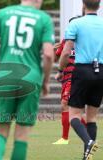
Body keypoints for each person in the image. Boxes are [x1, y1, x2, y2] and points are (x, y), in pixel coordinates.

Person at [0, 0, 55, 159]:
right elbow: (48, 54)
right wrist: (45, 81)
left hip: (6, 77)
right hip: (31, 79)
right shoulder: (44, 18)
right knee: (22, 135)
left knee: (1, 131)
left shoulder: (5, 13)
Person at [58, 0, 103, 159]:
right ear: (98, 6)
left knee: (74, 116)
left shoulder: (76, 24)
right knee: (91, 118)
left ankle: (88, 141)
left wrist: (60, 70)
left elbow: (65, 53)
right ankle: (87, 156)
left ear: (83, 5)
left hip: (82, 70)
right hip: (101, 72)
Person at [53, 16, 86, 145]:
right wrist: (56, 50)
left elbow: (63, 55)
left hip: (75, 76)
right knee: (73, 110)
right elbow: (58, 57)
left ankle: (65, 138)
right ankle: (88, 134)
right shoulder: (66, 41)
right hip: (69, 77)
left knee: (65, 104)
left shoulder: (80, 41)